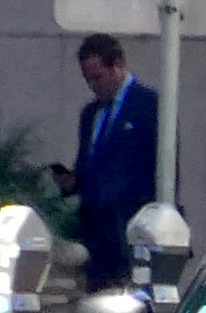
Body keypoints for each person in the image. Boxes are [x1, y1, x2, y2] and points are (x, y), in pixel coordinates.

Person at [52, 34, 156, 285]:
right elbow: (87, 164)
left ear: (118, 65)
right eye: (88, 80)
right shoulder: (91, 114)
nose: (94, 86)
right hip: (95, 232)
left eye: (98, 78)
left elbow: (160, 168)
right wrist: (71, 182)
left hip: (128, 226)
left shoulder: (149, 105)